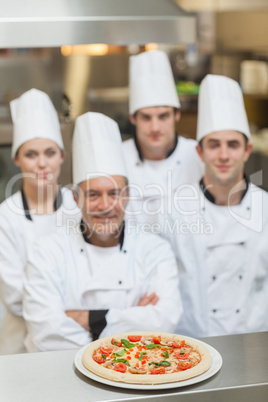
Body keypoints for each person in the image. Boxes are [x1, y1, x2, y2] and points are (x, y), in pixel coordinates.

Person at [23, 112, 182, 352]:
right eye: (94, 194)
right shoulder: (46, 253)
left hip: (140, 379)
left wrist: (86, 319)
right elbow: (46, 332)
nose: (105, 205)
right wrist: (133, 319)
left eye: (114, 193)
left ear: (127, 197)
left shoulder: (155, 251)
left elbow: (165, 321)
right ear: (76, 198)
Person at [160, 74, 268, 337]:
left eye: (232, 145)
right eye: (214, 145)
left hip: (257, 346)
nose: (223, 155)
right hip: (190, 347)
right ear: (200, 152)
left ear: (246, 150)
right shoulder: (171, 212)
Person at [0, 89, 81, 355]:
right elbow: (14, 298)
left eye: (50, 152)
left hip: (78, 339)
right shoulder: (4, 217)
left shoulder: (80, 207)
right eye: (31, 154)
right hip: (19, 346)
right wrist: (77, 310)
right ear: (16, 159)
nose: (42, 164)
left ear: (62, 156)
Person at [123, 49, 204, 228]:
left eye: (163, 116)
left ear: (177, 115)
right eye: (146, 117)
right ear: (133, 118)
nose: (155, 128)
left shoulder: (198, 156)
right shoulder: (118, 158)